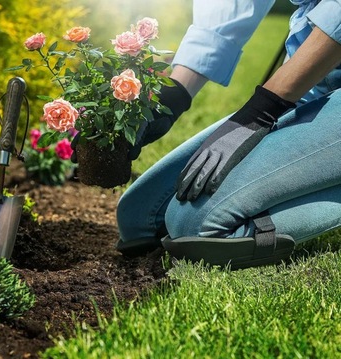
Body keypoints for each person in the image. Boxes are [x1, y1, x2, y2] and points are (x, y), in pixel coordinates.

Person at [116, 0, 341, 269]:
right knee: (139, 216)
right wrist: (176, 93)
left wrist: (260, 113)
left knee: (197, 227)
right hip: (316, 82)